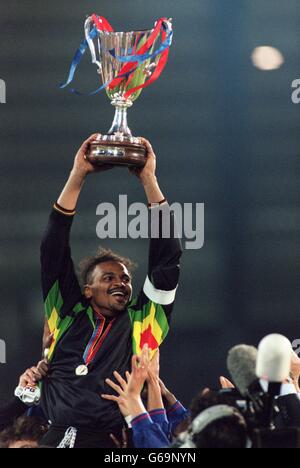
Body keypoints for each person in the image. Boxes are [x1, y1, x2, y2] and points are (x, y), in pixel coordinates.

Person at [39, 134, 182, 448]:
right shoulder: (66, 313)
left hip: (110, 442)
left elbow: (168, 258)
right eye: (109, 278)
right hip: (53, 438)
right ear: (87, 290)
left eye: (126, 279)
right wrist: (77, 175)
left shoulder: (144, 321)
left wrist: (149, 180)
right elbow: (53, 248)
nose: (121, 283)